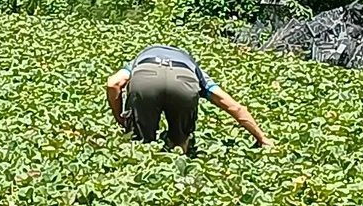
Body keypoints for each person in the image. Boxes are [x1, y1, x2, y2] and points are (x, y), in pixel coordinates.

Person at [105, 45, 273, 153]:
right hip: (184, 82)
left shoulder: (140, 60)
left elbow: (113, 84)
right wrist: (262, 138)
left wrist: (120, 117)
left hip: (145, 79)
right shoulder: (193, 68)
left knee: (139, 146)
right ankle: (178, 166)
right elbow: (234, 107)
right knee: (180, 145)